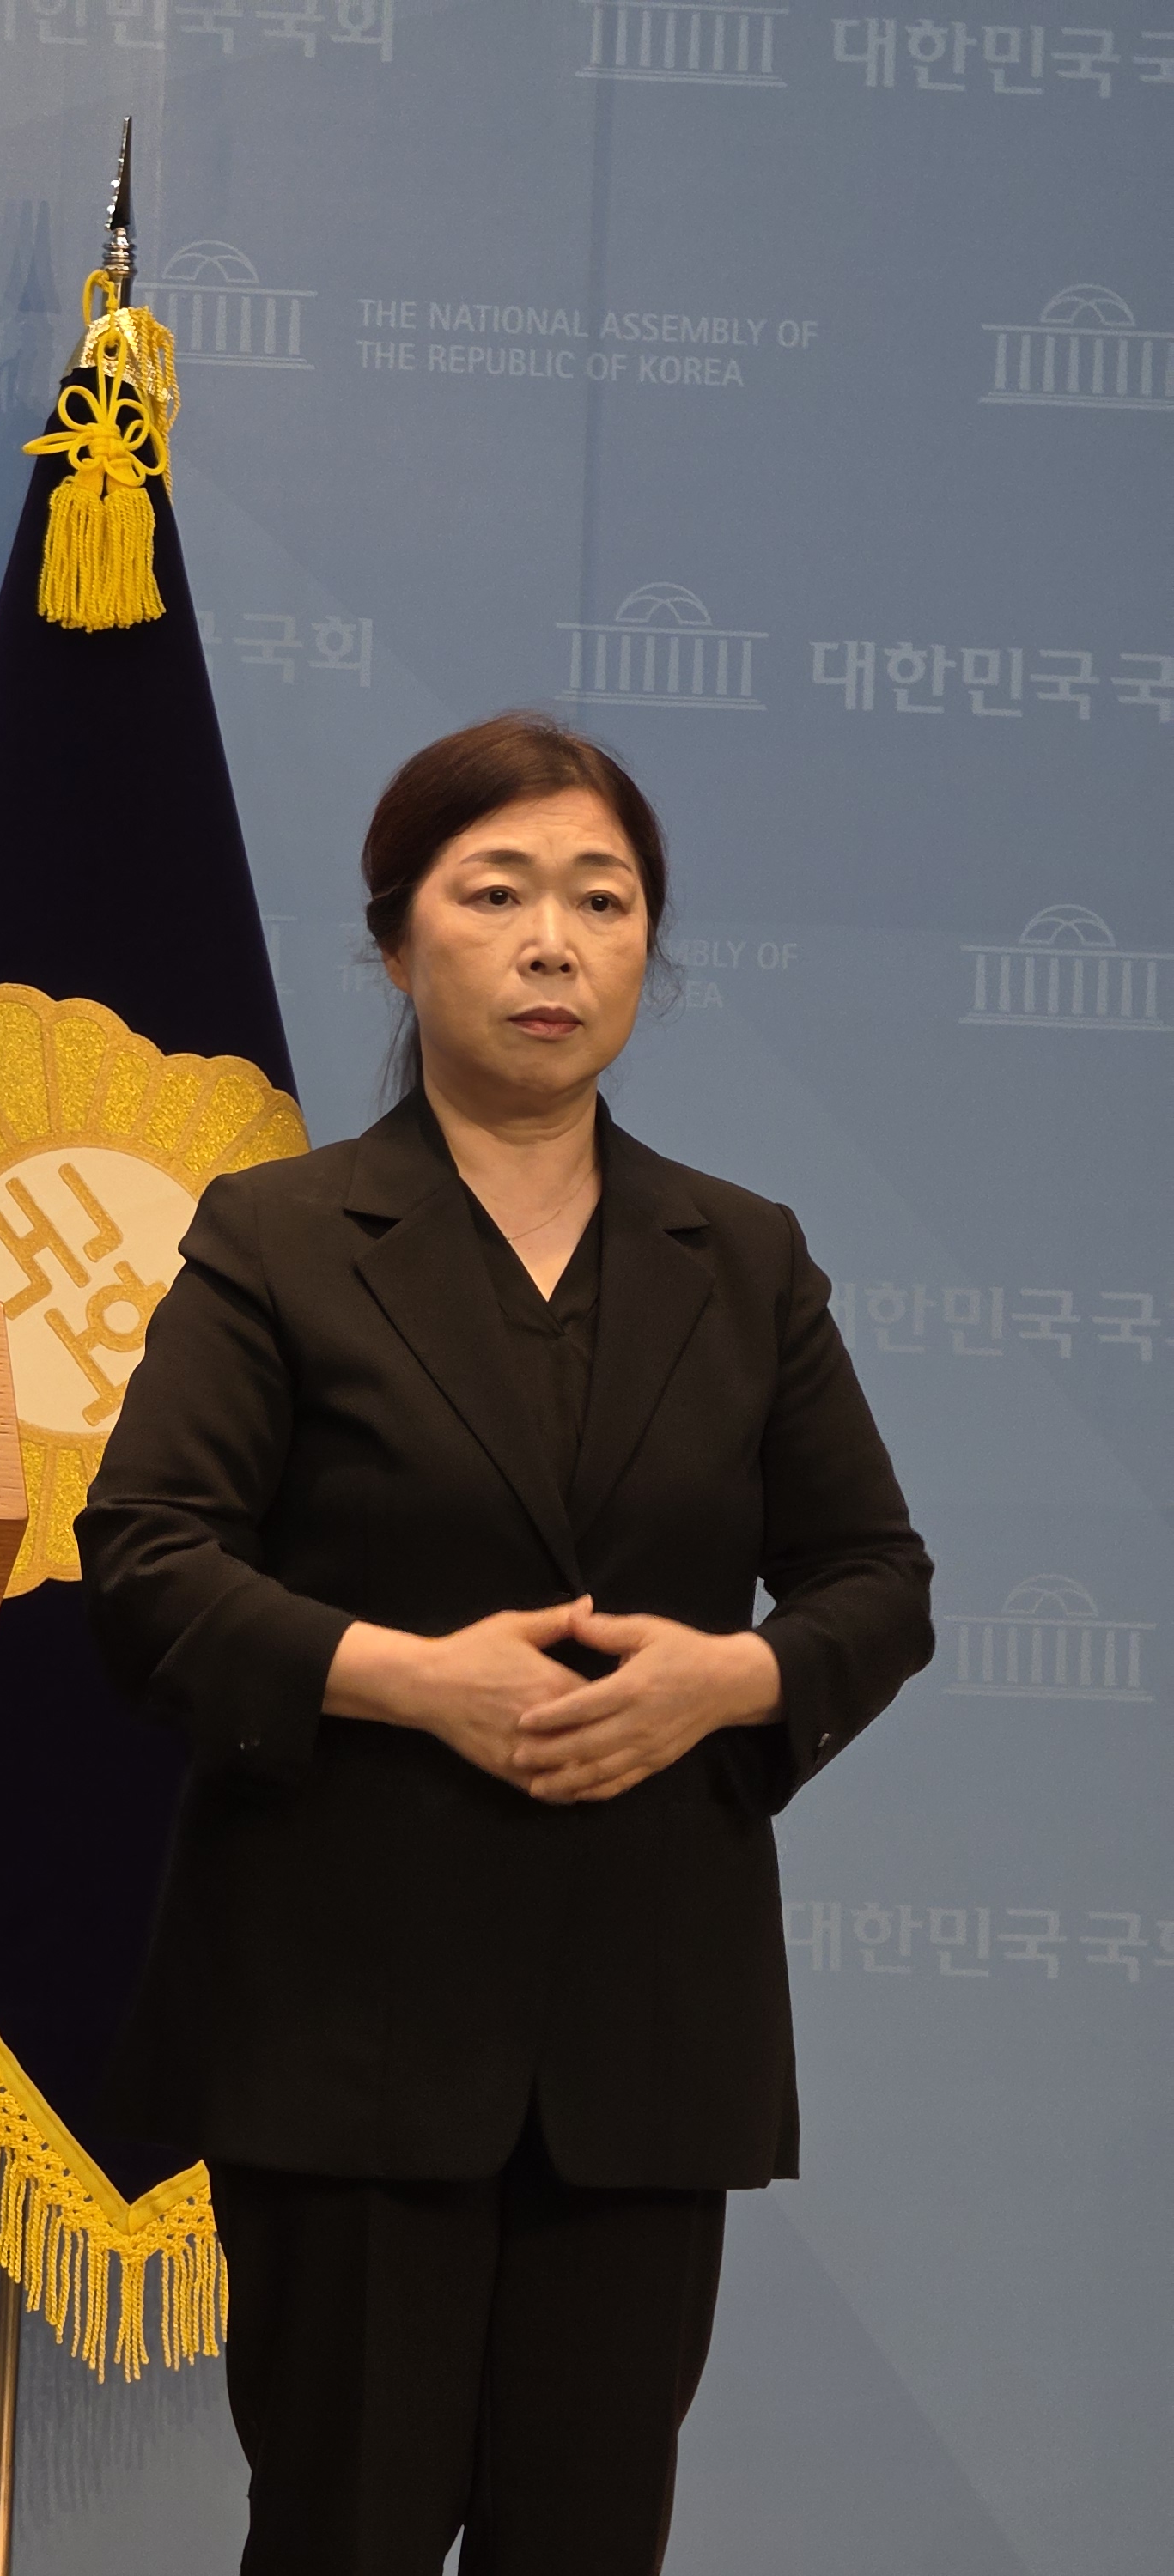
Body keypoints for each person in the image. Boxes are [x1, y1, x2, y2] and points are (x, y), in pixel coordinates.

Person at [75, 713, 934, 2576]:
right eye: (496, 895)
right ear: (397, 942)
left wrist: (732, 1679)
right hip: (346, 2032)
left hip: (646, 2041)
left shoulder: (741, 1257)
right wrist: (411, 1678)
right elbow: (143, 1557)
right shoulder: (281, 1238)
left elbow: (876, 1579)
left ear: (646, 949)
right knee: (343, 2536)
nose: (553, 943)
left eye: (601, 902)